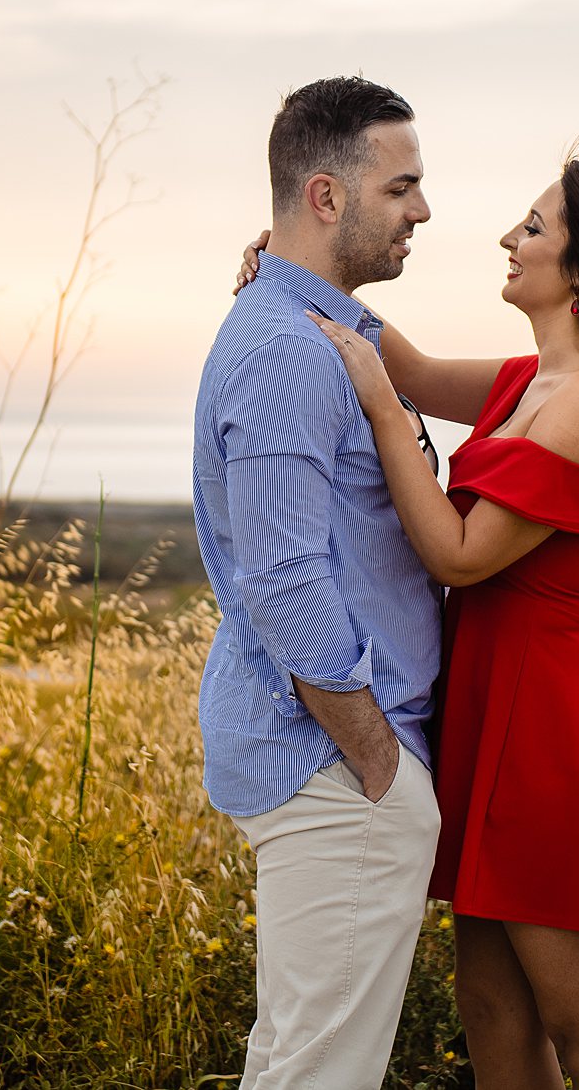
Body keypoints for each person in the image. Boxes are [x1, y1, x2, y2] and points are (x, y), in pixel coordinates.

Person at [236, 157, 579, 1089]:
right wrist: (296, 273)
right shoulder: (532, 383)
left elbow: (457, 551)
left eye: (532, 227)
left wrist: (379, 409)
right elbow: (402, 362)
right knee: (493, 1011)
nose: (507, 237)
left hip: (548, 731)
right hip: (492, 713)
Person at [193, 76, 445, 1088]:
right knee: (316, 1075)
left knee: (298, 1064)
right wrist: (377, 762)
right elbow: (284, 579)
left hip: (341, 769)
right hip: (338, 771)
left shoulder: (318, 330)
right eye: (402, 186)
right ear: (326, 197)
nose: (422, 211)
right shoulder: (292, 353)